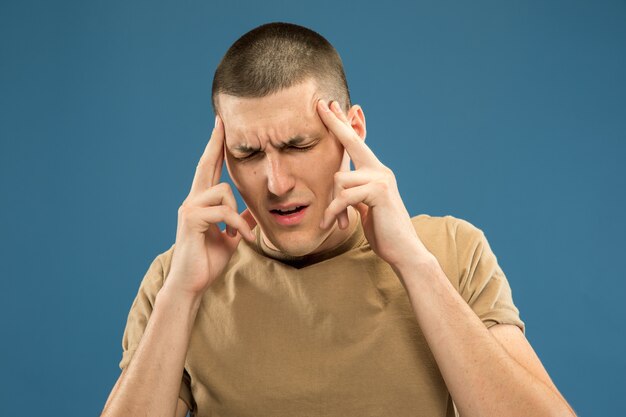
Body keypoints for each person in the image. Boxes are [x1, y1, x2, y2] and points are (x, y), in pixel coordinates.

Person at [101, 22, 576, 417]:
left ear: (352, 130)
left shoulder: (451, 248)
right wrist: (180, 295)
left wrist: (414, 264)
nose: (275, 182)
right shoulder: (179, 276)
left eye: (298, 145)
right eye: (247, 153)